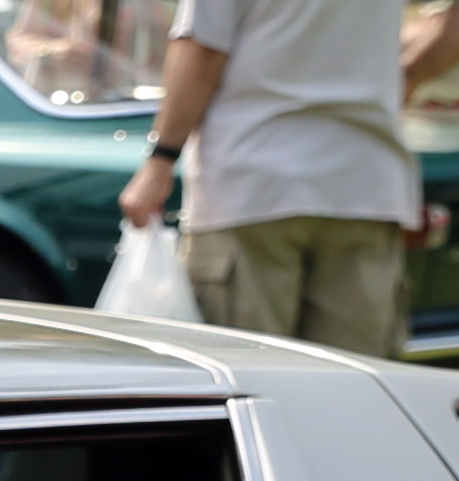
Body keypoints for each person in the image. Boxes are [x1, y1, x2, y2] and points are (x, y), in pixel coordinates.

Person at [122, 0, 422, 355]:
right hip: (365, 180)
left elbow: (202, 50)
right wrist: (416, 70)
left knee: (250, 376)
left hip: (254, 180)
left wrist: (161, 158)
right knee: (355, 386)